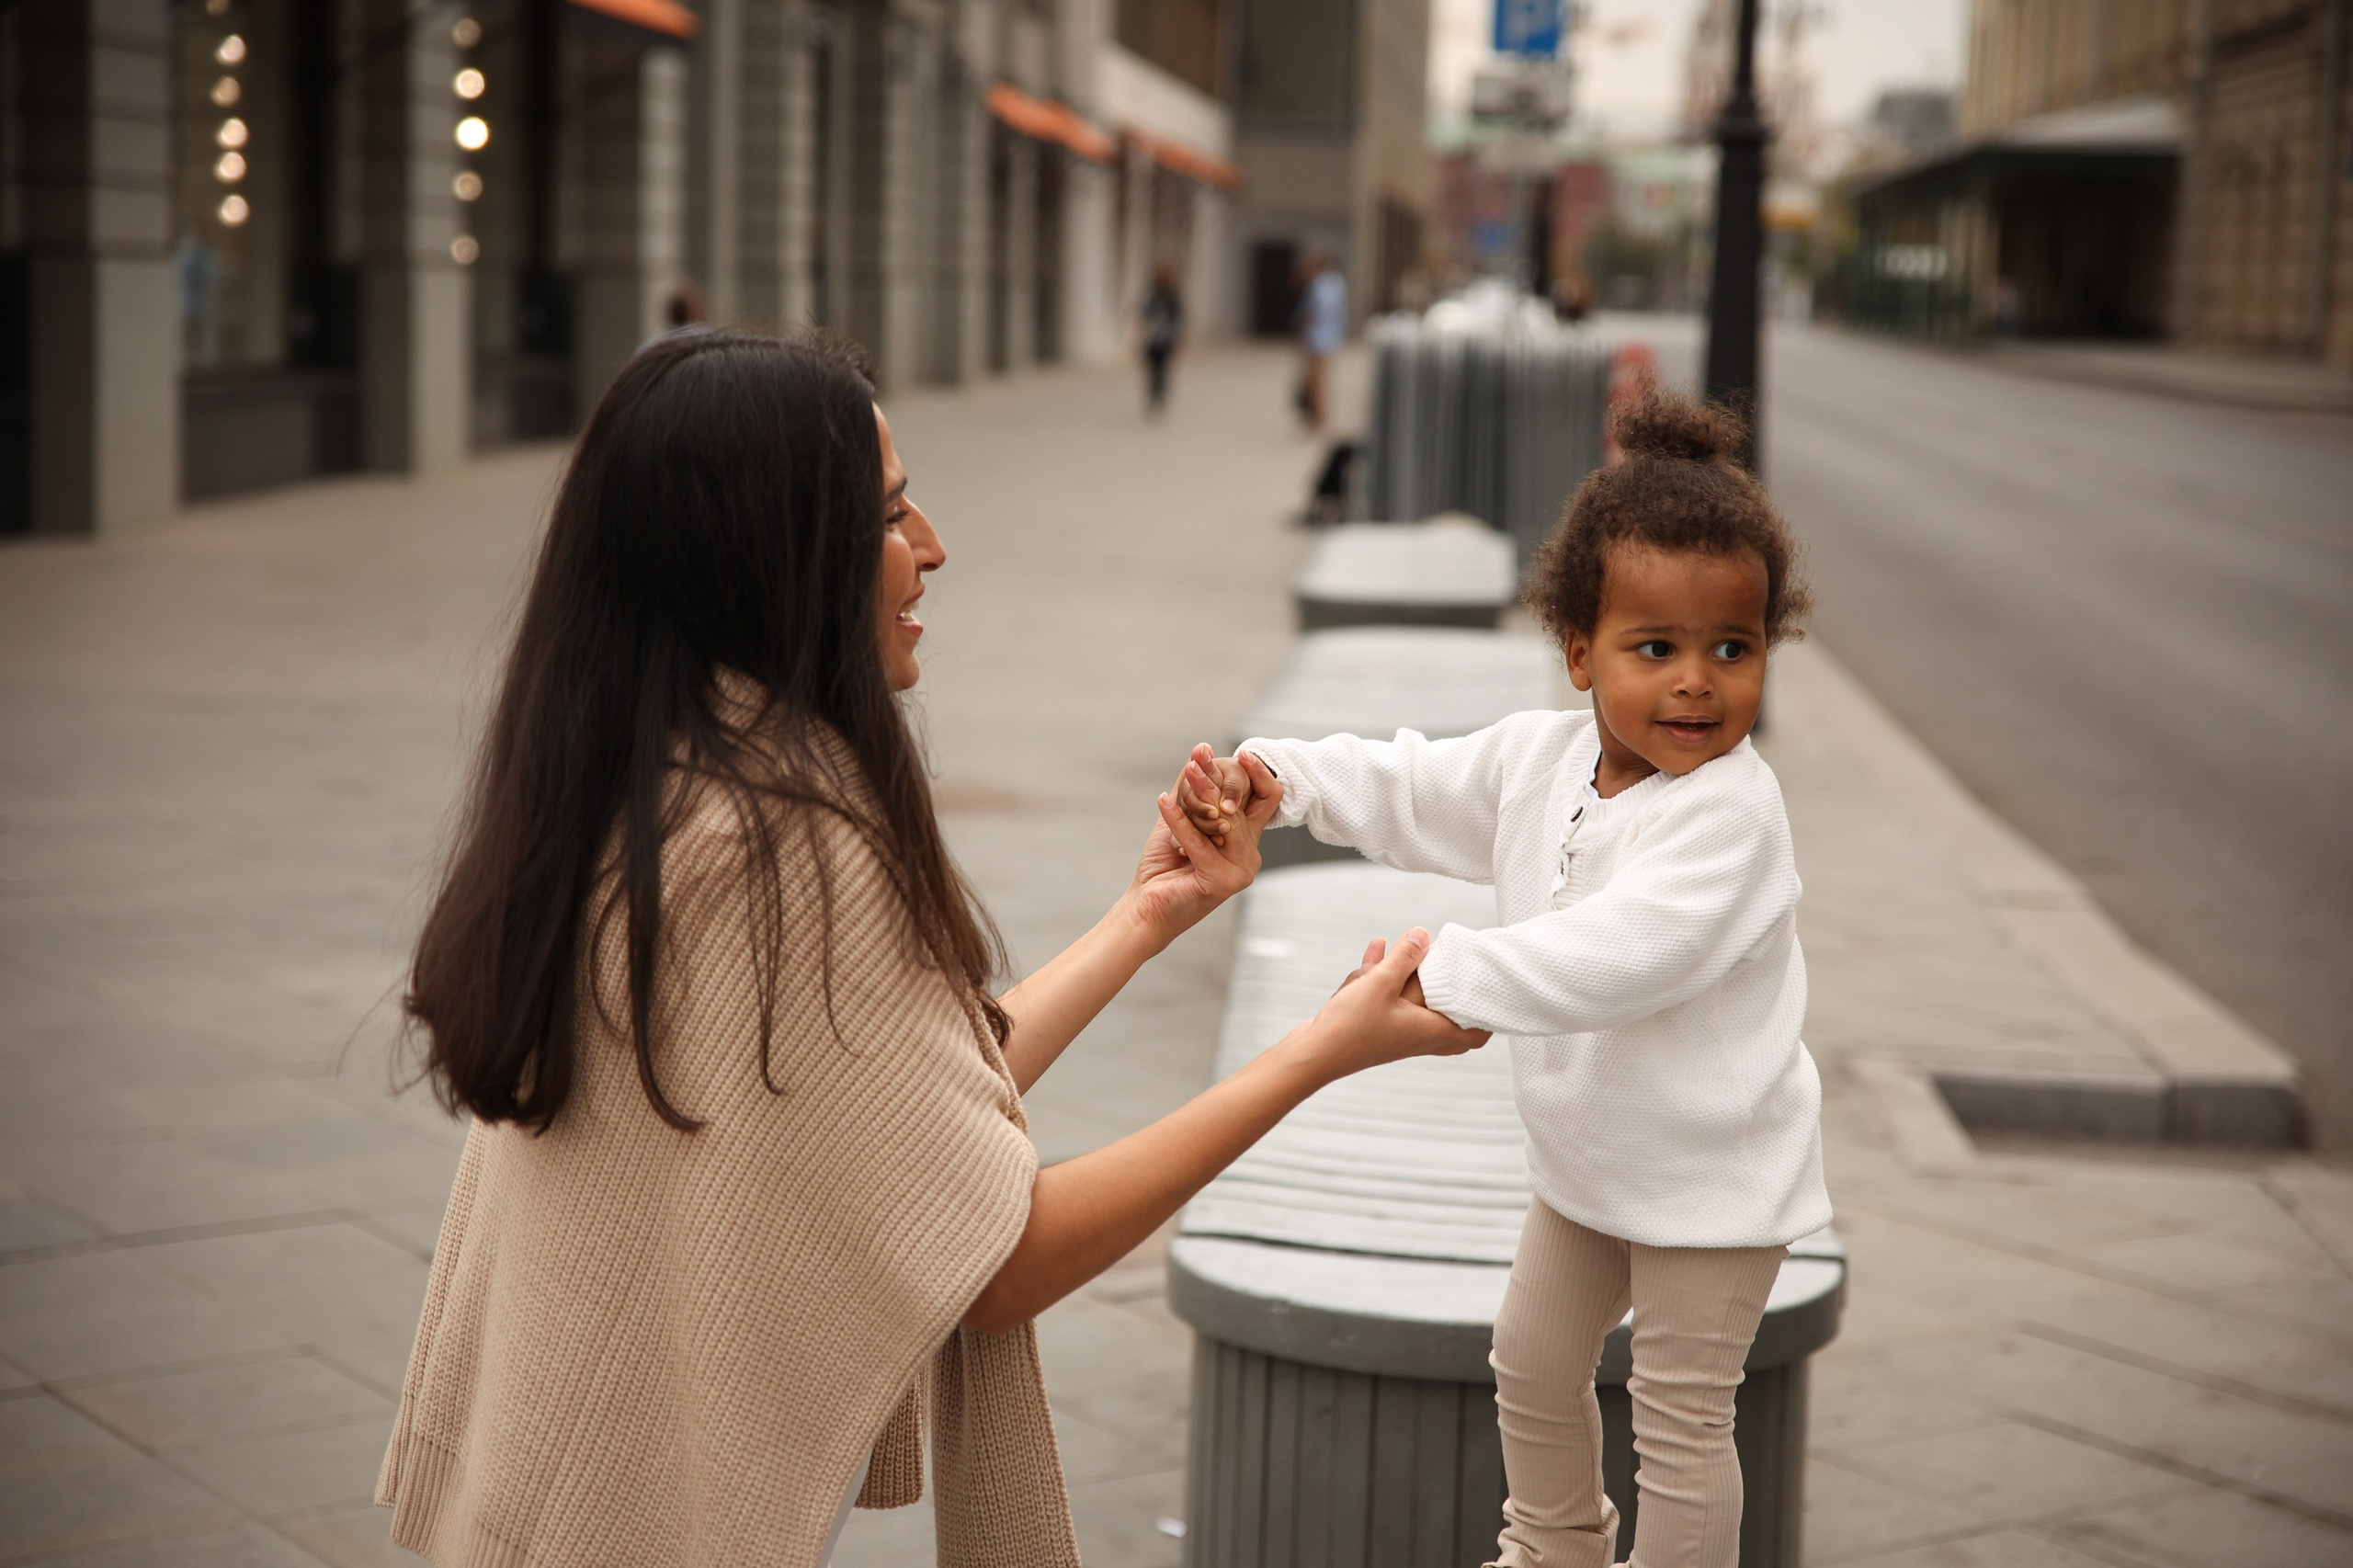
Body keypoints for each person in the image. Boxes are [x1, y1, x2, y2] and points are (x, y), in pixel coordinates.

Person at [374, 327, 1484, 1568]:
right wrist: (1317, 1051)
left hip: (547, 1489)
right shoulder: (779, 843)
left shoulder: (652, 775)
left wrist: (1144, 918)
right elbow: (1000, 1255)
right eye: (891, 513)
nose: (933, 547)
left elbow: (897, 1119)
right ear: (773, 557)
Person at [1177, 390, 1830, 1568]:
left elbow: (1621, 952)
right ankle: (1552, 1546)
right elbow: (1418, 784)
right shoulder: (1543, 759)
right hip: (1588, 1159)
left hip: (1713, 1179)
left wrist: (1448, 969)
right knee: (1530, 1356)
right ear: (1578, 649)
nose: (1696, 682)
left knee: (1681, 1420)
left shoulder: (1733, 814)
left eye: (1731, 649)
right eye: (1655, 648)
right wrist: (1288, 776)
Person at [1294, 254, 1347, 430]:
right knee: (1325, 378)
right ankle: (1324, 414)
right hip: (1331, 336)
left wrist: (1300, 331)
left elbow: (1311, 311)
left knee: (1315, 379)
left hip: (1316, 337)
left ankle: (1318, 416)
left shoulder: (1319, 285)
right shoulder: (1337, 283)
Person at [1141, 261, 1184, 414]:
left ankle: (1160, 393)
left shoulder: (1172, 296)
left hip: (1166, 337)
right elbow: (1144, 312)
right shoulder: (1152, 294)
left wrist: (1177, 335)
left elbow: (1179, 316)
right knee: (1153, 368)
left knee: (1163, 367)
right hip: (1152, 337)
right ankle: (1153, 393)